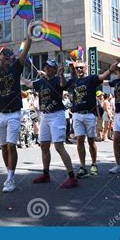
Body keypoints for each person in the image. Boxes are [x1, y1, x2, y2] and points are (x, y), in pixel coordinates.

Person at [22, 60, 79, 188]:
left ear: (55, 70)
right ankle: (46, 174)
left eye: (50, 66)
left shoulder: (58, 79)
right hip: (44, 116)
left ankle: (72, 177)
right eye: (46, 66)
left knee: (58, 146)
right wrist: (17, 75)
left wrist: (63, 74)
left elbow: (63, 85)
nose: (47, 68)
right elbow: (29, 83)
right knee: (44, 146)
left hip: (57, 115)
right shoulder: (42, 82)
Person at [0, 22, 32, 192]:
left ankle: (10, 178)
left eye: (9, 57)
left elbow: (25, 50)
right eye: (4, 57)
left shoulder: (16, 68)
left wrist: (29, 34)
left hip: (14, 113)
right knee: (4, 146)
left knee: (12, 145)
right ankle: (9, 173)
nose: (7, 59)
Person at [66, 60, 118, 178]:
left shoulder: (91, 79)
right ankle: (83, 167)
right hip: (77, 114)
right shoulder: (73, 81)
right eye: (77, 68)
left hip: (89, 115)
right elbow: (63, 85)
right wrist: (62, 73)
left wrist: (110, 70)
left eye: (81, 67)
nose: (79, 69)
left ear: (86, 68)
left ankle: (94, 164)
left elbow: (102, 76)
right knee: (79, 140)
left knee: (90, 141)